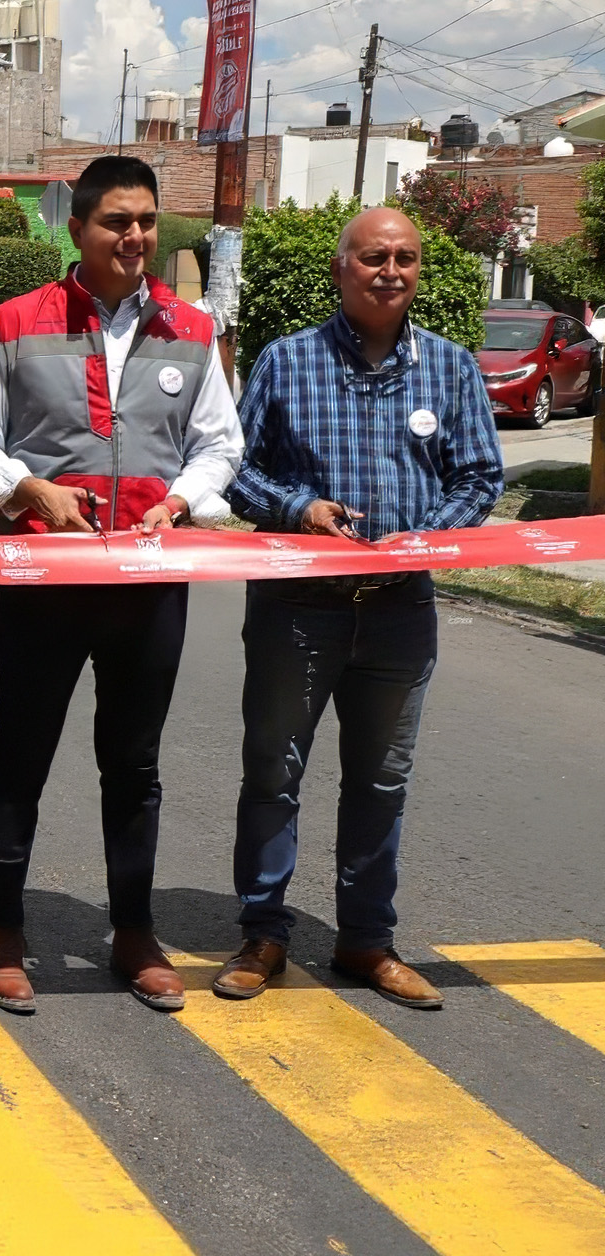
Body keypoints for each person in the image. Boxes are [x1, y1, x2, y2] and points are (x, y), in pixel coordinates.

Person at [0, 155, 242, 1015]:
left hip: (149, 584)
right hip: (45, 579)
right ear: (77, 228)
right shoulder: (13, 324)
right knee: (24, 753)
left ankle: (134, 932)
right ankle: (1, 930)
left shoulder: (192, 332)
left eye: (147, 222)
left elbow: (219, 445)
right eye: (117, 222)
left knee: (135, 763)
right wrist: (30, 489)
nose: (136, 237)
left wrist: (184, 503)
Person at [214, 208, 503, 1010]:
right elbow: (237, 469)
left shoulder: (448, 369)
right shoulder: (289, 361)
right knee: (274, 773)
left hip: (401, 609)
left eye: (405, 258)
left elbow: (479, 477)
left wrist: (424, 539)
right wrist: (300, 507)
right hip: (299, 608)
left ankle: (366, 943)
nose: (390, 271)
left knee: (381, 781)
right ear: (341, 269)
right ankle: (263, 932)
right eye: (374, 256)